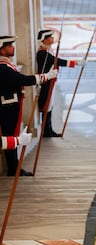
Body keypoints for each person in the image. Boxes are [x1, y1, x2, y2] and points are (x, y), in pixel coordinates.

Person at [0, 35, 57, 176]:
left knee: (11, 134)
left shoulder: (5, 65)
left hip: (11, 104)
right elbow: (21, 79)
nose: (12, 48)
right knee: (10, 135)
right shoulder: (2, 67)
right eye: (9, 46)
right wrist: (44, 77)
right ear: (2, 50)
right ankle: (13, 169)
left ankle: (15, 167)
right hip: (7, 106)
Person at [36, 29, 86, 137]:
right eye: (50, 37)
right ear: (45, 39)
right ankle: (46, 131)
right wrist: (76, 63)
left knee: (50, 105)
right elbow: (57, 61)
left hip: (51, 82)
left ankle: (48, 130)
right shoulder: (42, 52)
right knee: (46, 106)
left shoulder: (48, 50)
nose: (53, 38)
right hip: (46, 83)